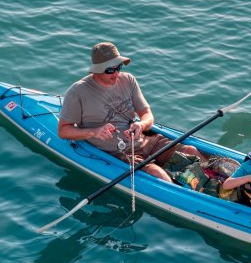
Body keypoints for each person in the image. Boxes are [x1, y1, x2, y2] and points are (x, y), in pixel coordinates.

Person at [58, 42, 205, 183]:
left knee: (191, 151)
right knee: (158, 174)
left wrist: (141, 125)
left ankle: (219, 185)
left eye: (118, 67)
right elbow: (63, 130)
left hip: (147, 141)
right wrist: (94, 132)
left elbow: (147, 114)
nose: (116, 74)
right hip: (120, 153)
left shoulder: (128, 80)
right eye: (110, 70)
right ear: (97, 69)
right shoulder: (77, 92)